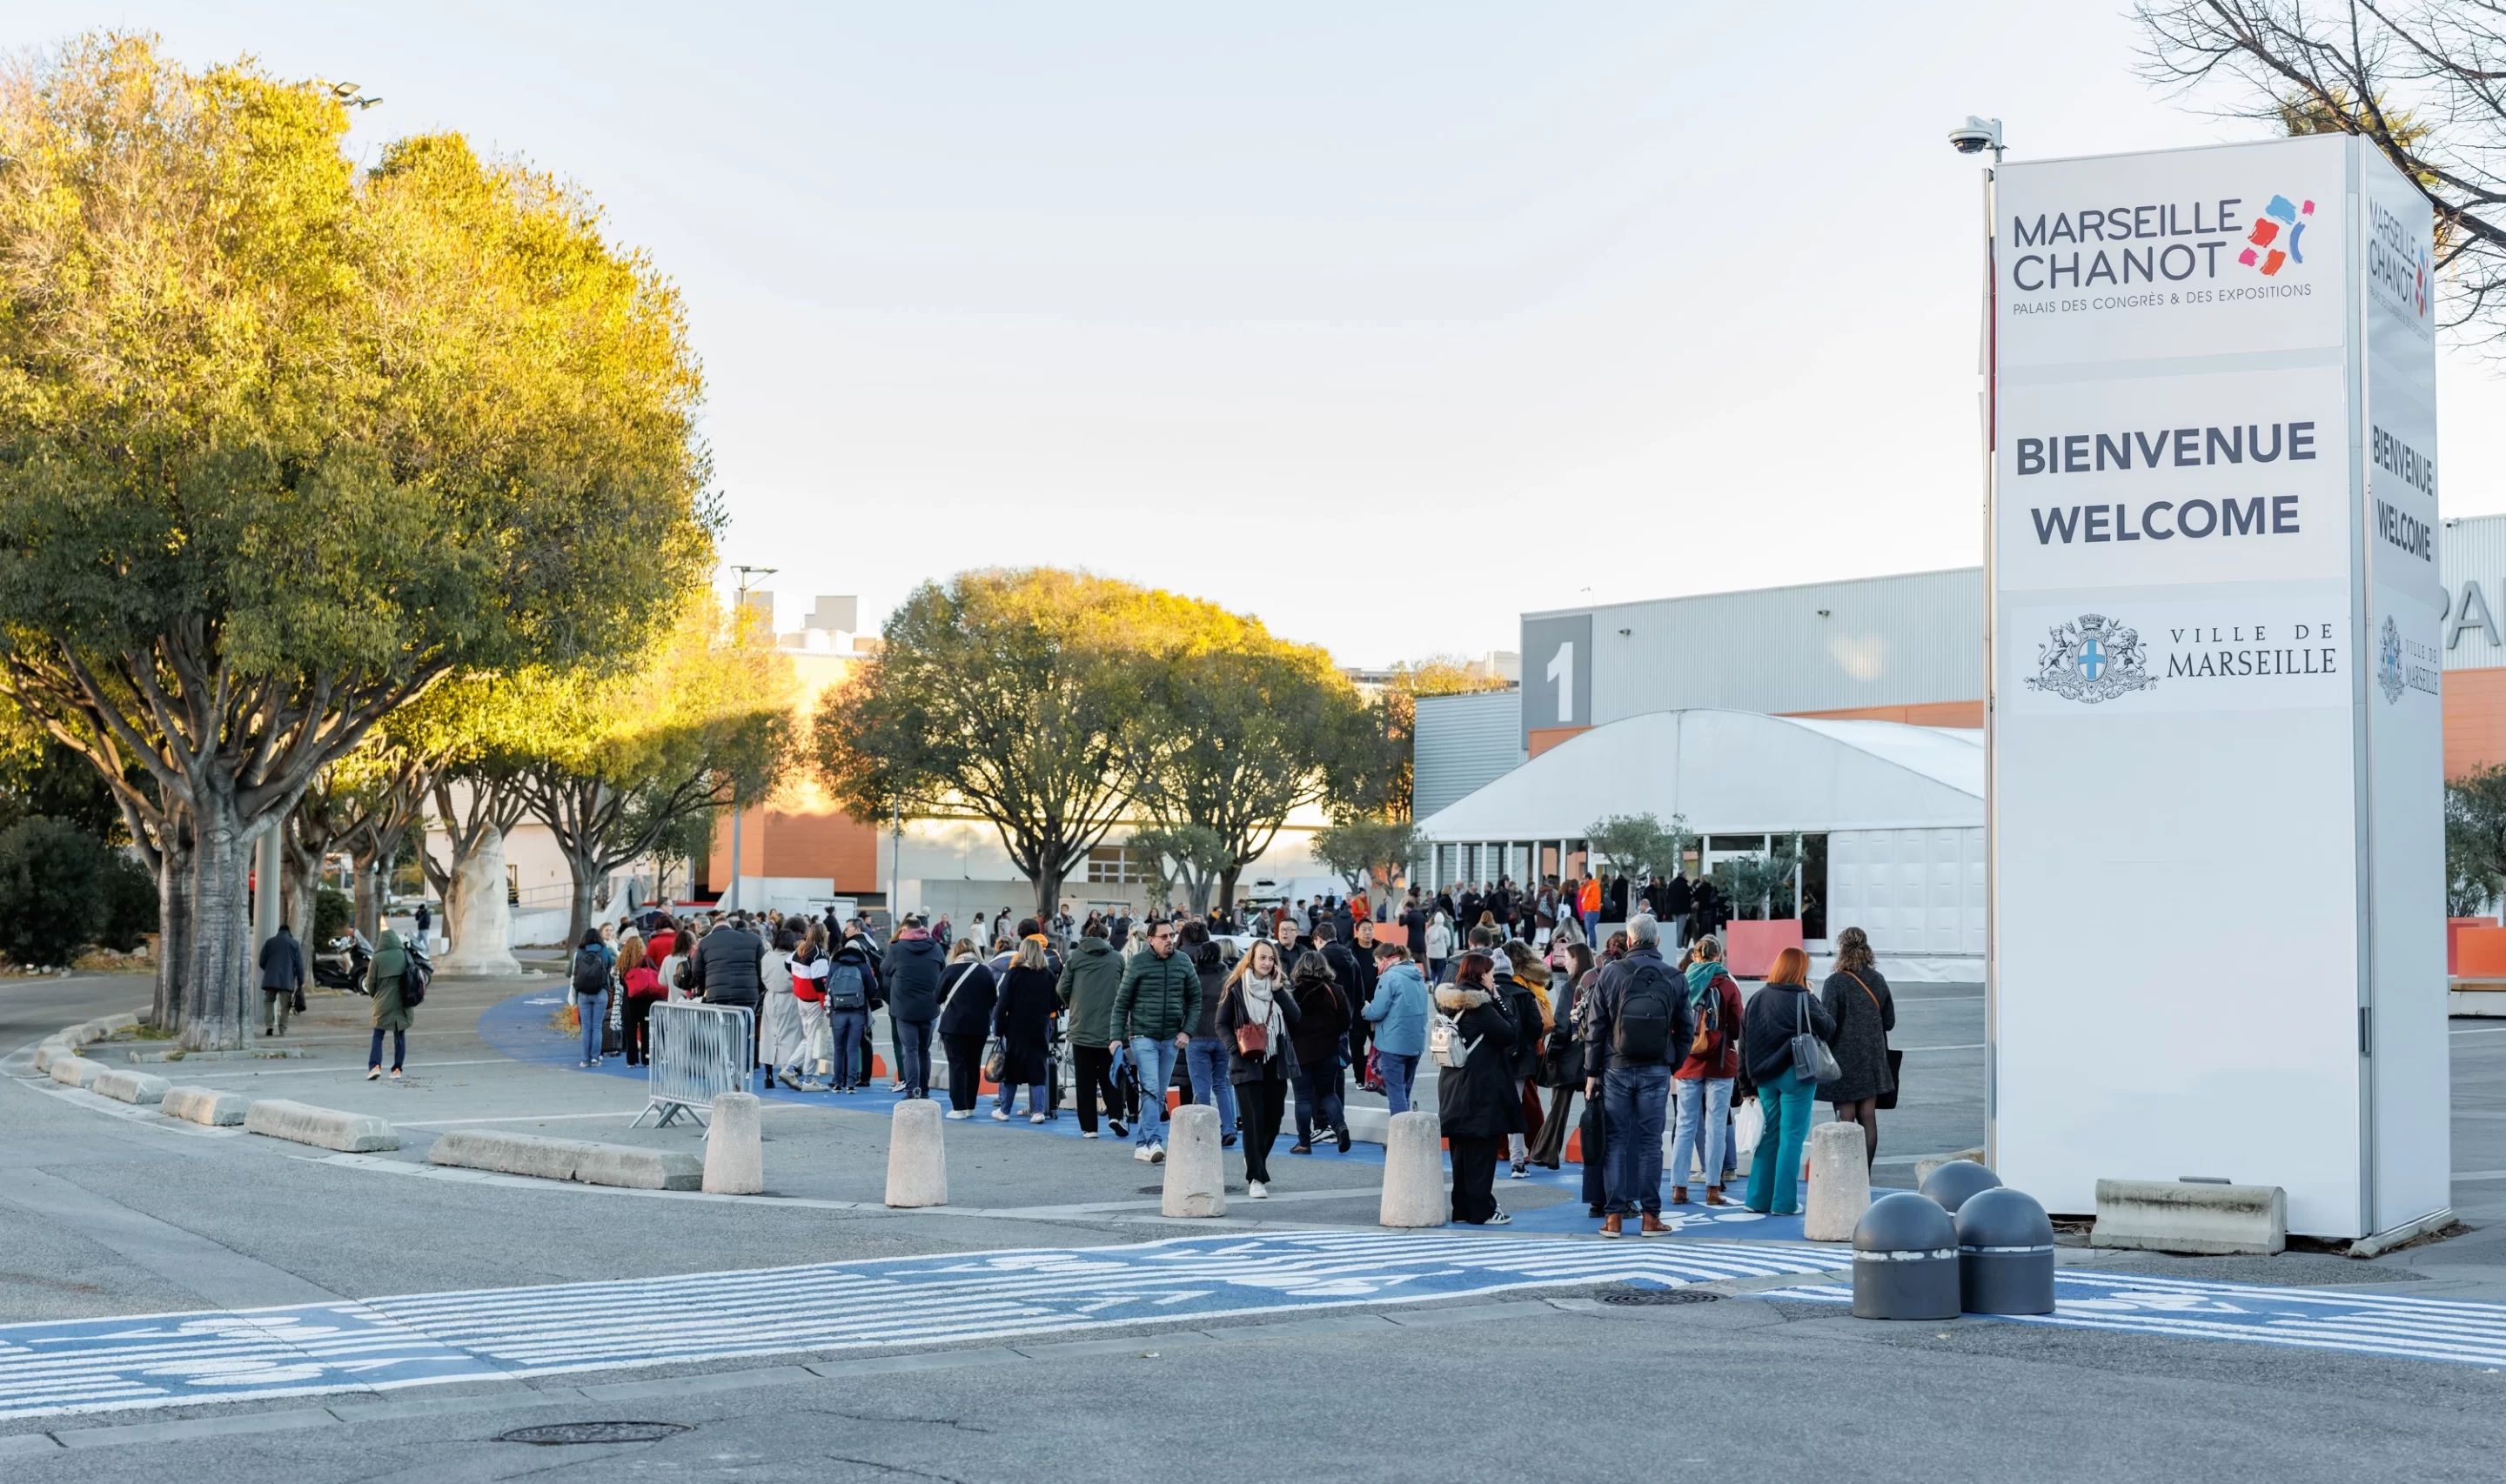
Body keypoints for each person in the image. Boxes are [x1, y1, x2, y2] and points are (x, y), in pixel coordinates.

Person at [1583, 915, 1691, 1237]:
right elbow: (1686, 1028)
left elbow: (1596, 1025)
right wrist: (1673, 1063)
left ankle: (1614, 1217)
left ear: (1629, 941)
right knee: (1650, 1144)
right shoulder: (1674, 977)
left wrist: (1591, 1072)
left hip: (1616, 1067)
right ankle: (1650, 1218)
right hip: (1656, 1070)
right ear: (1657, 941)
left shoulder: (1611, 973)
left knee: (1615, 1141)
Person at [1740, 946, 1837, 1216]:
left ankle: (1757, 1199)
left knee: (1768, 1135)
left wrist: (1746, 1085)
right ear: (1800, 972)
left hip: (1764, 1077)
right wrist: (1813, 997)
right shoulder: (1803, 999)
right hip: (1797, 1073)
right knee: (1791, 1137)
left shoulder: (1758, 998)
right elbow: (1828, 1028)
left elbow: (1744, 1043)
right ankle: (1784, 1203)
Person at [1435, 951, 1522, 1226]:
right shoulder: (1480, 1005)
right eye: (1491, 973)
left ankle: (1461, 1209)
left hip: (1452, 1084)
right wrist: (1497, 998)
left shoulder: (1449, 1002)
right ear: (1481, 974)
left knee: (1461, 1153)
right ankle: (1482, 1210)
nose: (1493, 978)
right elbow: (1510, 1032)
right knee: (1482, 1153)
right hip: (1479, 1087)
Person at [1216, 939, 1300, 1199]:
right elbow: (1221, 1024)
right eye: (1262, 958)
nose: (1267, 962)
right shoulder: (1237, 988)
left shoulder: (1279, 988)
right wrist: (1234, 1048)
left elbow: (1295, 1017)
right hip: (1247, 1062)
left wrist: (1278, 991)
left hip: (1275, 1063)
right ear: (1250, 960)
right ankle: (1256, 1178)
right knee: (1253, 1122)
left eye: (1271, 958)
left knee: (1273, 1121)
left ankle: (1255, 1160)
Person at [1111, 917, 1199, 1164]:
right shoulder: (1138, 963)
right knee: (1150, 1087)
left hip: (1172, 1037)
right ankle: (1153, 1142)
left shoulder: (1183, 962)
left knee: (1158, 1093)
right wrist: (1115, 1038)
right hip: (1142, 1036)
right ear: (1150, 940)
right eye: (1164, 936)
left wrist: (1187, 1031)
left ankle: (1142, 1144)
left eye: (1171, 935)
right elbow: (1121, 1003)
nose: (1170, 940)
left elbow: (1195, 999)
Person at [1666, 935, 1745, 1206]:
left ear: (1694, 957)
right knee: (1716, 1126)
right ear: (1719, 957)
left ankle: (1679, 1187)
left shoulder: (1682, 983)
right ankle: (1713, 1188)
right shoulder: (1727, 986)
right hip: (1721, 1063)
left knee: (1686, 1124)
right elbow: (1736, 1028)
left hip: (1688, 1063)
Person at [1820, 926, 1896, 1169]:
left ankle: (1846, 1172)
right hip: (1873, 1057)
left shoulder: (1835, 982)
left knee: (1845, 1117)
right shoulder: (1878, 980)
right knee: (1868, 1115)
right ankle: (1865, 1172)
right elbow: (1890, 1022)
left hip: (1843, 1058)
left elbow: (1827, 1023)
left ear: (1842, 950)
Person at [1057, 919, 1129, 1140]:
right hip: (1111, 1029)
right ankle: (1116, 1114)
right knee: (1112, 1075)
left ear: (1087, 936)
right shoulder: (1117, 958)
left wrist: (1075, 1003)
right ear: (1106, 937)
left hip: (1082, 1027)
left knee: (1085, 1080)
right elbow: (1126, 989)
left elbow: (1061, 987)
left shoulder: (1075, 956)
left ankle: (1090, 1127)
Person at [1528, 939, 1593, 1168]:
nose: (1563, 963)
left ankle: (1546, 1153)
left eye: (1567, 958)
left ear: (1577, 960)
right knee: (1593, 1109)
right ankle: (1594, 1155)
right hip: (1590, 1057)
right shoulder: (1596, 982)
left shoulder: (1570, 987)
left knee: (1558, 1109)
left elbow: (1562, 1026)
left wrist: (1552, 1054)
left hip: (1567, 1057)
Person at [1495, 940, 1551, 1179]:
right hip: (1520, 1060)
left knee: (1493, 1105)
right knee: (1517, 1107)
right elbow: (1536, 1025)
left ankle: (1490, 1152)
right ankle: (1518, 1162)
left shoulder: (1488, 994)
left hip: (1493, 1060)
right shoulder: (1528, 989)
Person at [1286, 949, 1351, 1154]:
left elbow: (1286, 1023)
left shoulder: (1293, 992)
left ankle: (1304, 1143)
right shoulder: (1334, 990)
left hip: (1300, 1053)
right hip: (1328, 1051)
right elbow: (1346, 1021)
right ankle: (1340, 1126)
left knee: (1303, 1098)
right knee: (1328, 1093)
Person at [693, 911, 767, 1086]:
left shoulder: (705, 942)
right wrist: (759, 990)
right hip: (748, 994)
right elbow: (762, 968)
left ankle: (725, 1066)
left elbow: (697, 971)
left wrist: (706, 986)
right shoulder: (753, 940)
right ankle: (747, 1067)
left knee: (722, 1032)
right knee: (747, 1031)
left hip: (717, 994)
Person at [990, 935, 1060, 1123]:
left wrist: (999, 1031)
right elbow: (1054, 1004)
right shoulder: (1048, 975)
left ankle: (1004, 1111)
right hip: (1039, 1027)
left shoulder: (1014, 974)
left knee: (1012, 1069)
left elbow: (1002, 1005)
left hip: (1016, 1028)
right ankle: (1038, 1112)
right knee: (1038, 1068)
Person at [1181, 920, 1235, 1147]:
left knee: (1201, 1088)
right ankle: (1229, 1128)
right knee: (1221, 1084)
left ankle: (1205, 1131)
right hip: (1222, 1037)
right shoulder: (1229, 978)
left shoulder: (1192, 978)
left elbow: (1183, 1005)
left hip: (1197, 1037)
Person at [1362, 940, 1430, 1114]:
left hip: (1394, 1044)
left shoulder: (1389, 977)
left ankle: (1401, 1138)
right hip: (1416, 1043)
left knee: (1396, 1093)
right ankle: (1407, 1133)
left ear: (1384, 959)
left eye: (1377, 962)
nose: (1377, 967)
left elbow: (1377, 1011)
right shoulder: (1417, 975)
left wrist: (1366, 1009)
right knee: (1404, 1090)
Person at [883, 915, 946, 1100]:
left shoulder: (897, 949)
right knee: (924, 1051)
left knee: (909, 1050)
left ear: (904, 930)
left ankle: (912, 1090)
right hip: (929, 1007)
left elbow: (884, 969)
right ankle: (925, 1090)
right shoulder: (935, 947)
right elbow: (943, 970)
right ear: (923, 929)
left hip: (904, 1009)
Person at [936, 939, 998, 1118]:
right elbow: (993, 998)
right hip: (979, 1026)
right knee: (973, 1066)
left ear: (957, 952)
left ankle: (958, 1108)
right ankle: (970, 1106)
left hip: (953, 1026)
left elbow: (937, 998)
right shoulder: (985, 971)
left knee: (957, 1066)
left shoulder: (950, 970)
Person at [823, 928, 878, 1093]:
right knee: (853, 1048)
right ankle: (852, 1084)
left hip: (838, 1012)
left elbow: (828, 987)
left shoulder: (835, 963)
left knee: (839, 1048)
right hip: (857, 1011)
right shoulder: (863, 964)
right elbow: (873, 988)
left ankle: (838, 1082)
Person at [781, 925, 830, 1086]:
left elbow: (787, 964)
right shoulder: (819, 954)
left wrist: (799, 979)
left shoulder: (801, 948)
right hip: (814, 1001)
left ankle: (790, 1067)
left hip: (801, 999)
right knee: (813, 1041)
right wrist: (825, 1004)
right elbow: (819, 981)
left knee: (808, 1038)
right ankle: (808, 1077)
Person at [366, 926, 414, 1080]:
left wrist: (377, 995)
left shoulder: (377, 958)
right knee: (400, 1034)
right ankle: (397, 1069)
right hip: (402, 1001)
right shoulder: (403, 954)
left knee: (378, 1034)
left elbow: (370, 984)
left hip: (382, 1001)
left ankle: (375, 1066)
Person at [568, 927, 612, 1069]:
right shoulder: (605, 951)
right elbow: (610, 966)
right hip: (601, 992)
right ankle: (595, 1058)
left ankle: (585, 1059)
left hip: (584, 993)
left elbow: (570, 972)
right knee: (597, 1026)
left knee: (586, 1027)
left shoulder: (579, 953)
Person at [620, 933, 665, 1066]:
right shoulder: (646, 961)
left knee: (630, 1030)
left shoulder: (623, 963)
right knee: (646, 1030)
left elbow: (621, 982)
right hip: (646, 999)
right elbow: (655, 975)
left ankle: (631, 1060)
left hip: (629, 999)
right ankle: (646, 1059)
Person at [258, 923, 305, 1038]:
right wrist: (301, 981)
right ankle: (282, 1030)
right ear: (289, 932)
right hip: (287, 979)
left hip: (271, 979)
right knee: (285, 1005)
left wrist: (269, 970)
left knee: (269, 1001)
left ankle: (269, 1026)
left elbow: (261, 961)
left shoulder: (270, 942)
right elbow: (299, 965)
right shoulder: (294, 944)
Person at [1424, 908, 1453, 985]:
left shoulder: (1430, 929)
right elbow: (1448, 943)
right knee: (1441, 971)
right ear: (1443, 920)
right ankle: (1439, 985)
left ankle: (1432, 983)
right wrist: (1444, 947)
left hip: (1431, 954)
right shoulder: (1445, 930)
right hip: (1441, 955)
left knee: (1433, 970)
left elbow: (1426, 940)